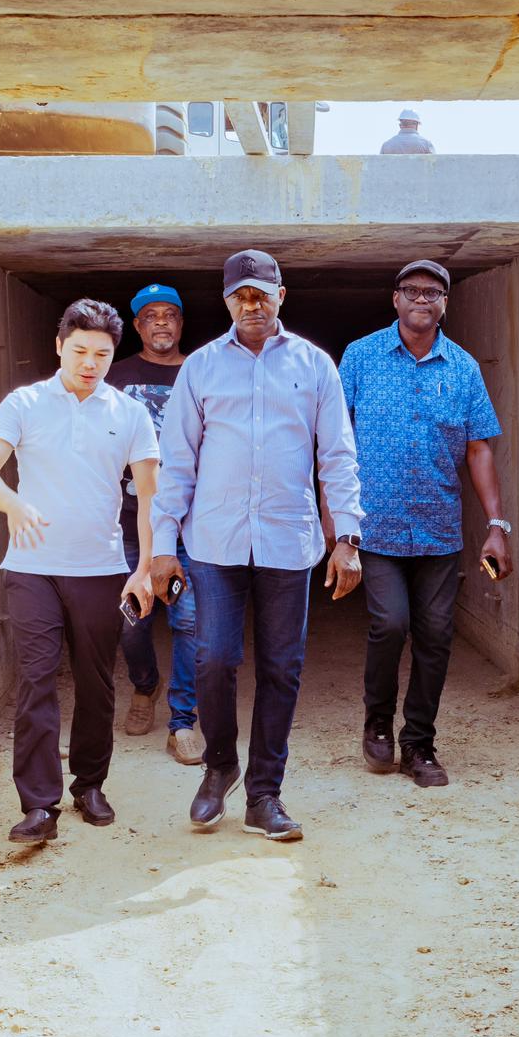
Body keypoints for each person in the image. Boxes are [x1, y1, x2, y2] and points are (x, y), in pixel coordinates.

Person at [134, 250, 363, 842]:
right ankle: (219, 767)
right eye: (241, 296)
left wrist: (348, 540)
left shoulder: (315, 365)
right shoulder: (203, 368)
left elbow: (336, 455)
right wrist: (163, 547)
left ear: (281, 295)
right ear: (227, 301)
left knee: (283, 669)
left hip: (288, 542)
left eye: (262, 294)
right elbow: (177, 461)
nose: (252, 305)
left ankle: (265, 794)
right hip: (213, 541)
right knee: (213, 660)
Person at [0, 299, 159, 844]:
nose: (90, 362)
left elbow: (150, 500)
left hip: (100, 568)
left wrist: (142, 569)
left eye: (102, 354)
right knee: (36, 679)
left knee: (97, 682)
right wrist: (13, 504)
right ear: (59, 346)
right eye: (79, 350)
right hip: (31, 569)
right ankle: (38, 805)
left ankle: (90, 785)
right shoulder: (24, 403)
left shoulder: (129, 413)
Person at [338, 259, 510, 788]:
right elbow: (334, 441)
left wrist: (496, 524)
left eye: (432, 292)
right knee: (390, 624)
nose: (421, 299)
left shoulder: (461, 368)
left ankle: (419, 744)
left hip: (438, 528)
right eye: (411, 290)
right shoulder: (361, 357)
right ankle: (377, 724)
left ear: (445, 303)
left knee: (436, 633)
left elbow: (478, 447)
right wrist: (336, 524)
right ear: (395, 299)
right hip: (378, 526)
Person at [109, 282, 204, 762]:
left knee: (188, 621)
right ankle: (144, 686)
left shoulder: (201, 370)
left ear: (182, 323)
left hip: (190, 526)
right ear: (138, 326)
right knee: (132, 621)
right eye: (150, 315)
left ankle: (183, 718)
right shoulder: (115, 375)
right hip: (130, 523)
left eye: (170, 313)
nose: (161, 322)